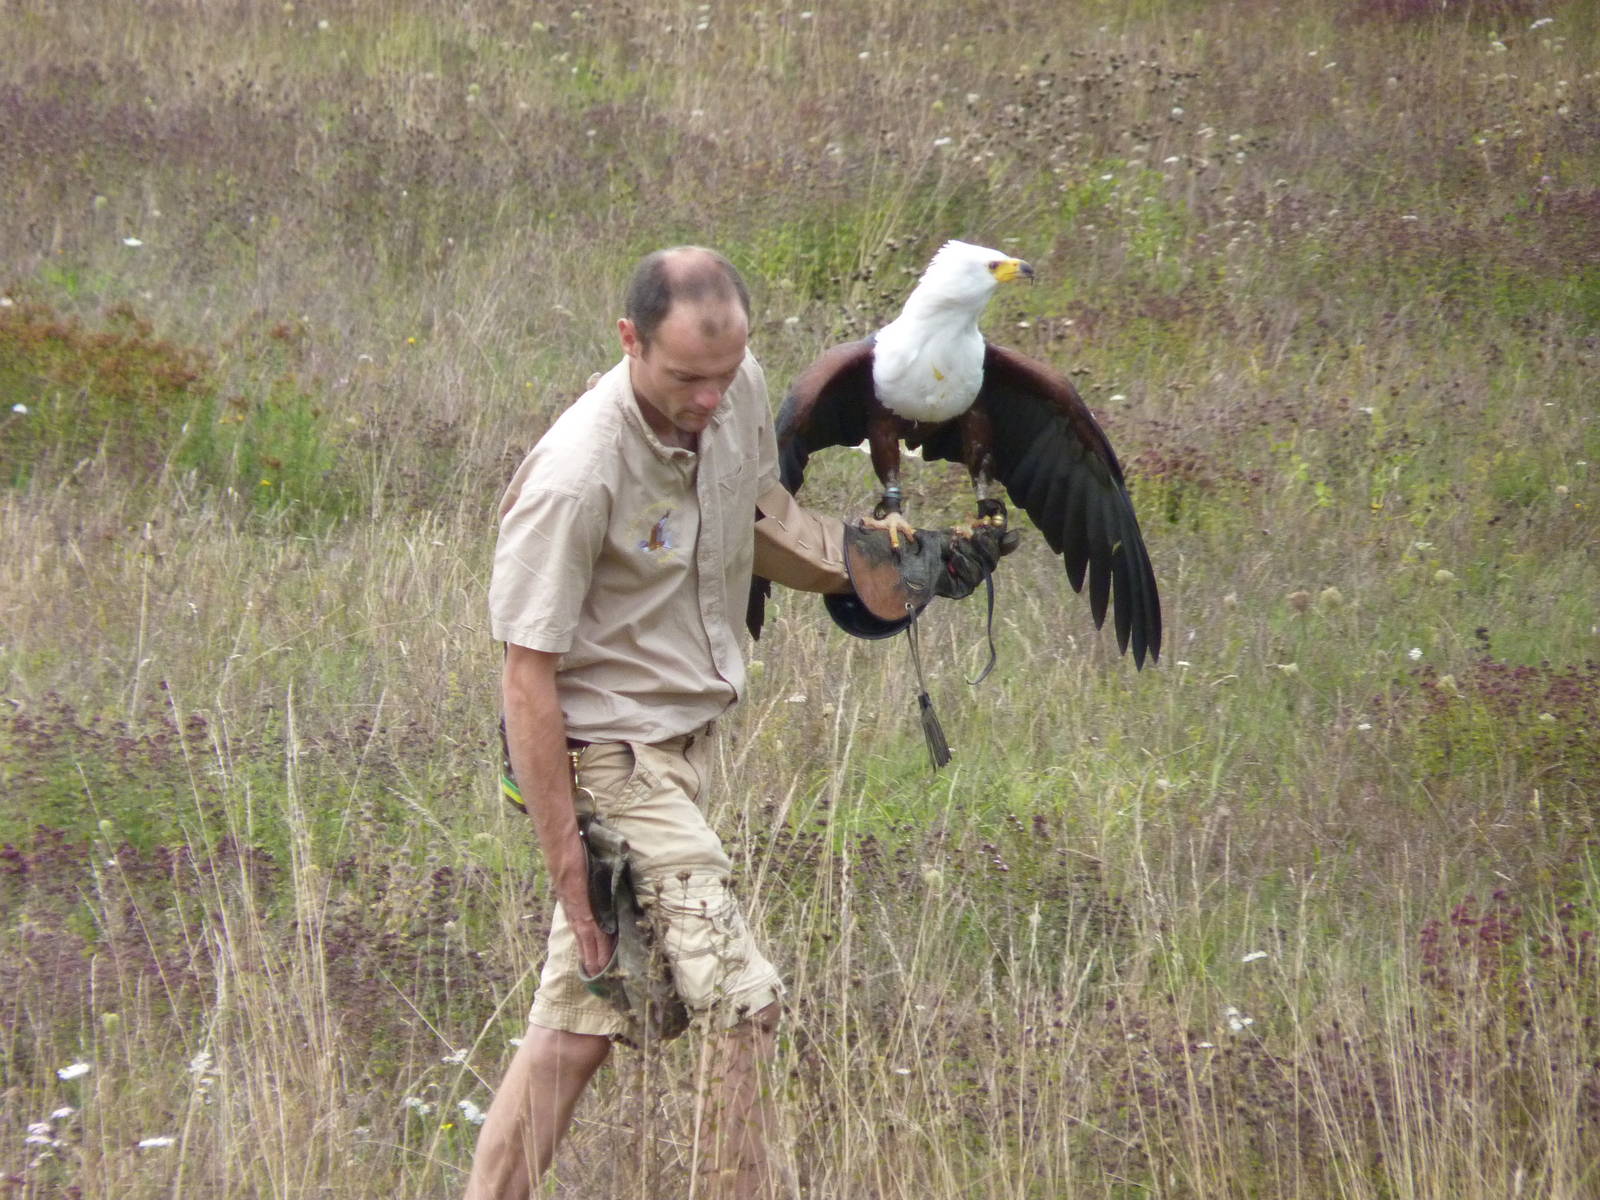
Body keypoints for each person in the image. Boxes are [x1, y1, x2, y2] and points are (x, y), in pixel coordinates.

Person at [465, 247, 1008, 1200]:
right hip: (608, 761)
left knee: (577, 1031)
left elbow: (758, 513)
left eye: (725, 375)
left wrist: (889, 573)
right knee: (742, 1004)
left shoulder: (734, 383)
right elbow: (525, 683)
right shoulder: (576, 475)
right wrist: (571, 878)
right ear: (629, 341)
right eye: (685, 378)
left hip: (686, 747)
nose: (712, 399)